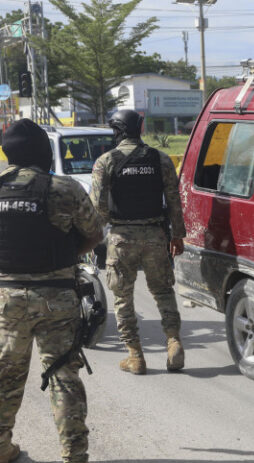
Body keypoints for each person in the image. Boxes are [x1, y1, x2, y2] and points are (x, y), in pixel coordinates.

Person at [0, 119, 104, 463]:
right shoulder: (64, 189)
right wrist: (66, 256)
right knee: (63, 376)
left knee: (6, 376)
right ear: (42, 151)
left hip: (8, 301)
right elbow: (94, 235)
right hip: (58, 298)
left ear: (5, 153)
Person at [91, 110, 186, 375]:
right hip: (157, 236)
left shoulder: (105, 161)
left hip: (121, 238)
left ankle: (135, 356)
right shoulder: (161, 159)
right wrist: (177, 235)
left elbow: (97, 208)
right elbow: (175, 201)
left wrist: (91, 238)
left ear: (117, 130)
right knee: (163, 291)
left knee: (123, 298)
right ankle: (173, 342)